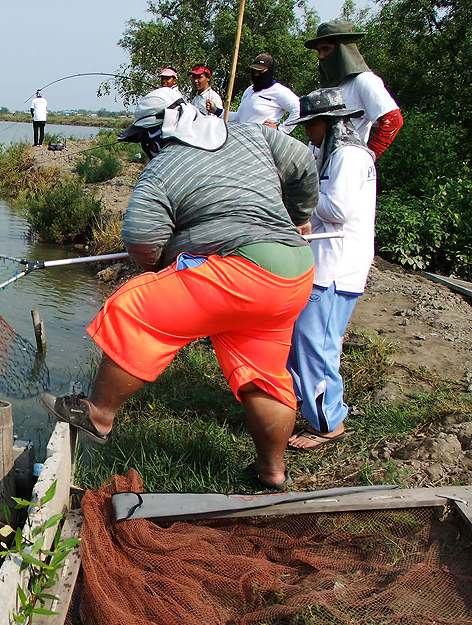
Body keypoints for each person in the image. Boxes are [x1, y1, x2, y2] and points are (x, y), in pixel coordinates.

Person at [39, 89, 319, 491]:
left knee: (131, 305)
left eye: (142, 143)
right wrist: (300, 216)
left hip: (243, 274)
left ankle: (97, 415)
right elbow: (303, 161)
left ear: (157, 136)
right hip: (293, 272)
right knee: (264, 375)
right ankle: (271, 470)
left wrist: (162, 268)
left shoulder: (162, 168)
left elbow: (140, 240)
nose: (143, 152)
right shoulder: (253, 134)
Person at [285, 89, 377, 450]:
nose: (308, 132)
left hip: (337, 266)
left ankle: (327, 423)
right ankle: (304, 406)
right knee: (304, 340)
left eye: (312, 125)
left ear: (329, 122)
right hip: (327, 262)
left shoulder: (349, 157)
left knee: (316, 342)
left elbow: (337, 208)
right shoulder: (334, 153)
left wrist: (299, 194)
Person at [305, 19, 403, 158]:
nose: (321, 56)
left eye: (326, 49)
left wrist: (366, 158)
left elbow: (393, 121)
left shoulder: (364, 81)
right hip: (323, 169)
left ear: (343, 49)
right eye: (319, 51)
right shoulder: (332, 86)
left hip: (346, 166)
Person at [208, 53, 300, 134]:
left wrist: (280, 130)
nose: (256, 75)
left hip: (263, 143)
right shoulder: (249, 90)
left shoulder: (279, 91)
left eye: (260, 72)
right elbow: (239, 116)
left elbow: (299, 108)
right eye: (254, 71)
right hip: (244, 141)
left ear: (269, 71)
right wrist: (216, 110)